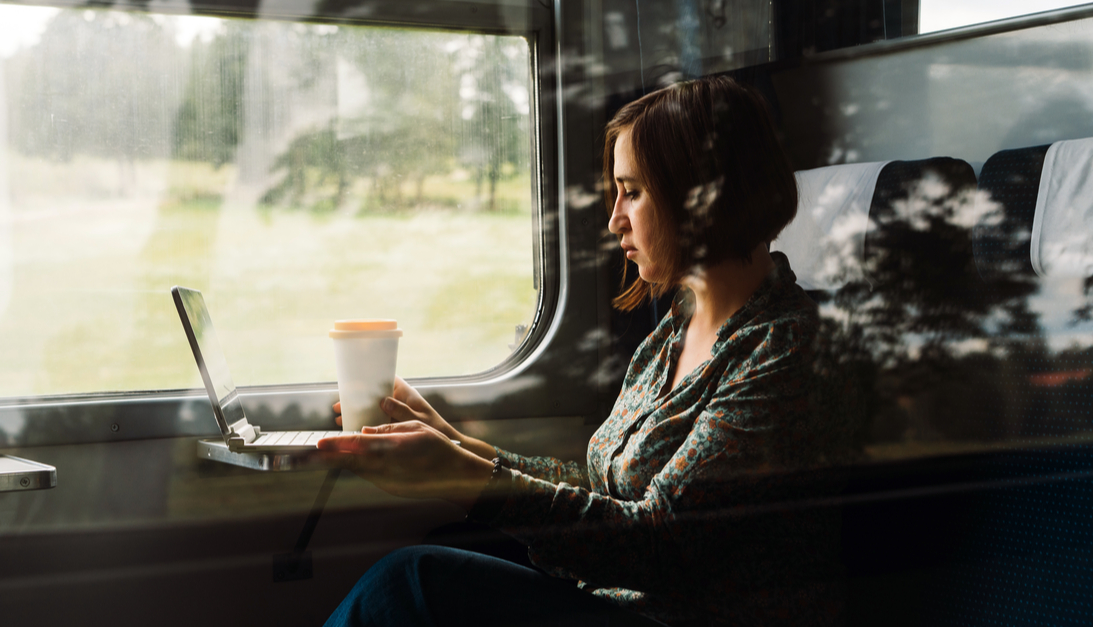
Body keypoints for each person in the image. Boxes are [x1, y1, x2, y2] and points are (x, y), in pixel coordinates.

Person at [317, 75, 845, 627]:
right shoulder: (675, 331)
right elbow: (604, 490)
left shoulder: (787, 349)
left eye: (633, 192)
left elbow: (663, 543)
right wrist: (459, 446)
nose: (615, 217)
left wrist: (462, 479)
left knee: (414, 581)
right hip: (617, 603)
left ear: (703, 195)